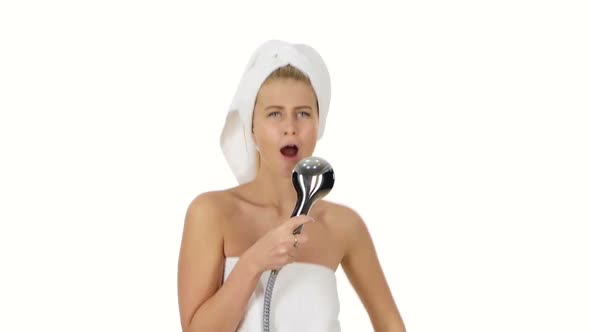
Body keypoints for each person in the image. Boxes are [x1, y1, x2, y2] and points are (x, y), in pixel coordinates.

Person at [177, 40, 406, 332]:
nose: (290, 127)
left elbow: (390, 324)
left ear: (318, 124)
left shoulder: (344, 225)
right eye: (275, 113)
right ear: (252, 127)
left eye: (303, 113)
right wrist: (254, 262)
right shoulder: (210, 213)